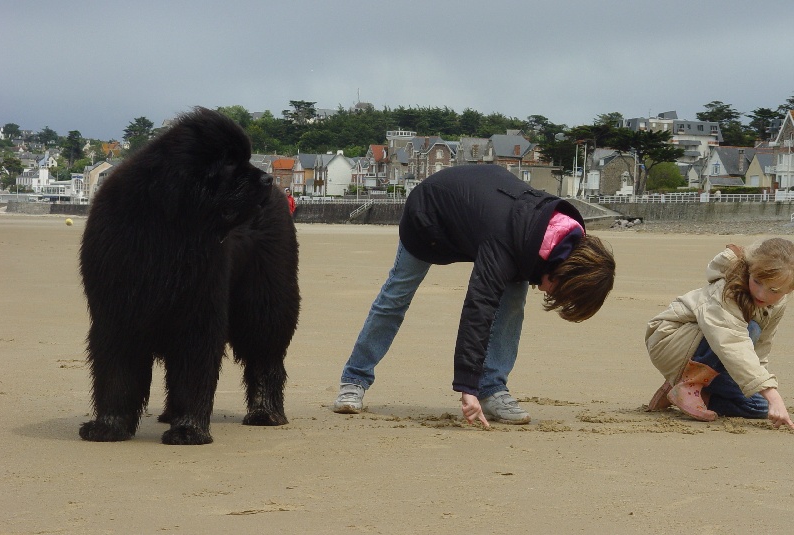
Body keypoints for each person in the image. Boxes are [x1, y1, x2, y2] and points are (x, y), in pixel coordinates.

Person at [331, 165, 616, 427]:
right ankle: (354, 379)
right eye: (560, 292)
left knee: (513, 301)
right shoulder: (505, 240)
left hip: (480, 220)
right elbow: (479, 308)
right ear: (561, 272)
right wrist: (467, 388)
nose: (547, 293)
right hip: (429, 215)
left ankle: (492, 389)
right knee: (396, 296)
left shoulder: (558, 239)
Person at [645, 238, 794, 429]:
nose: (761, 294)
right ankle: (690, 384)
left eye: (773, 290)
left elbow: (761, 347)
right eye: (757, 281)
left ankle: (696, 394)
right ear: (750, 268)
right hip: (671, 340)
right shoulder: (728, 288)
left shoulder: (777, 303)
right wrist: (773, 394)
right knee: (750, 329)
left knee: (759, 406)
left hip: (717, 352)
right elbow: (731, 342)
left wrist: (762, 385)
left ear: (789, 290)